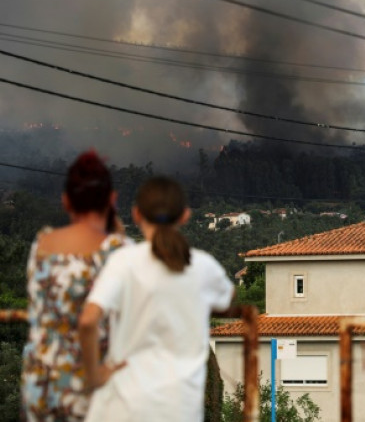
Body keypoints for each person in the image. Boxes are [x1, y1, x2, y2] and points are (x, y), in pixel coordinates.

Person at [79, 176, 234, 422]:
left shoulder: (123, 263)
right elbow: (227, 301)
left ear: (137, 214)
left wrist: (94, 375)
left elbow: (88, 321)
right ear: (184, 215)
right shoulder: (204, 267)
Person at [21, 150, 131, 421]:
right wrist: (96, 376)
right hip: (85, 392)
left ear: (66, 201)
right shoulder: (119, 249)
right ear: (112, 199)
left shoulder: (41, 245)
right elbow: (88, 322)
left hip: (40, 387)